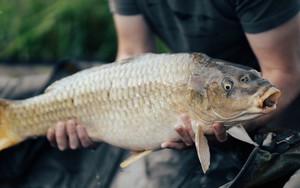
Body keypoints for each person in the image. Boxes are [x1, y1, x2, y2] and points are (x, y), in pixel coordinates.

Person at [47, 0, 300, 187]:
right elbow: (132, 52)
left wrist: (222, 124)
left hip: (275, 113)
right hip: (187, 91)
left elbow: (285, 70)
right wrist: (101, 120)